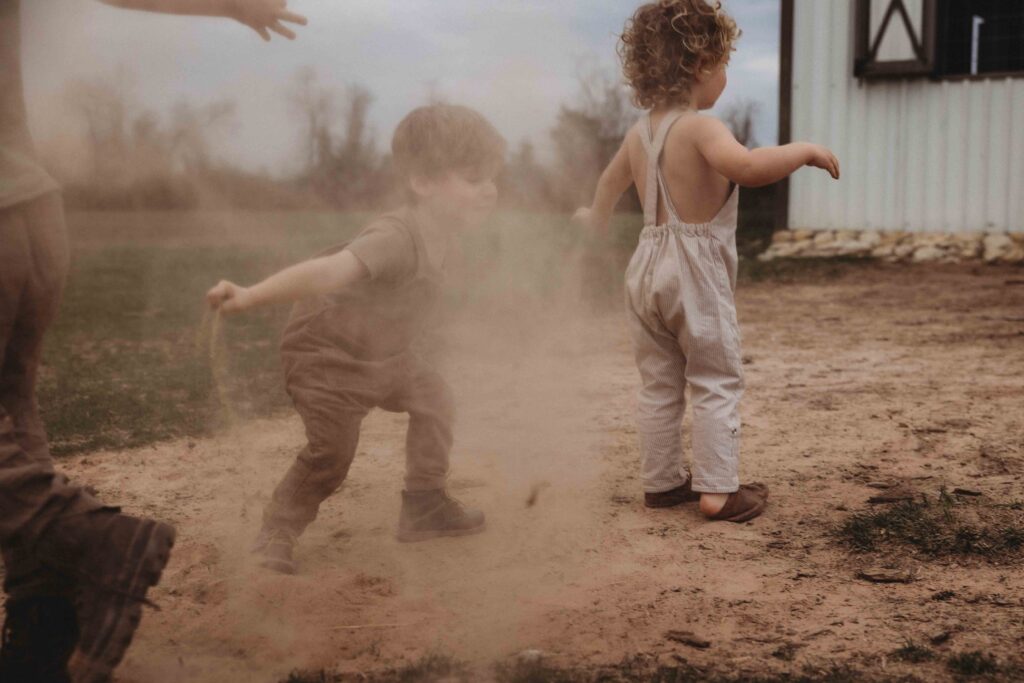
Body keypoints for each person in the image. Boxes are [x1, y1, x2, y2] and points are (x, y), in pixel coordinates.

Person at [0, 1, 306, 681]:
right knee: (13, 417)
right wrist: (225, 3)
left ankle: (103, 541)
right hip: (34, 214)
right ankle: (43, 619)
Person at [206, 103, 504, 575]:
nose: (489, 191)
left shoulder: (447, 235)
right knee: (332, 453)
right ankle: (277, 531)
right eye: (472, 178)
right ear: (422, 182)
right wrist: (250, 296)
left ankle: (424, 505)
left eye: (492, 178)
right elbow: (329, 271)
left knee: (435, 400)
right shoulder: (394, 237)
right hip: (328, 357)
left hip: (385, 357)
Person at [575, 0, 839, 522]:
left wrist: (597, 219)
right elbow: (746, 166)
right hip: (692, 271)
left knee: (659, 380)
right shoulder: (700, 128)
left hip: (645, 266)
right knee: (715, 376)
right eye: (723, 63)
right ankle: (718, 490)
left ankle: (662, 482)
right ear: (700, 66)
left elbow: (608, 185)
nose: (725, 75)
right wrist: (803, 151)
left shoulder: (640, 132)